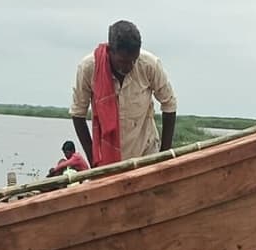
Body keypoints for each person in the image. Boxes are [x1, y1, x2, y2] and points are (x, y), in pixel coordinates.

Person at [69, 20, 178, 166]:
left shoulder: (149, 65)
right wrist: (93, 160)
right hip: (107, 159)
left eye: (133, 60)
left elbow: (169, 103)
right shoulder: (89, 68)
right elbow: (78, 113)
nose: (129, 66)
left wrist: (164, 155)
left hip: (146, 152)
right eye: (123, 61)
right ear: (110, 51)